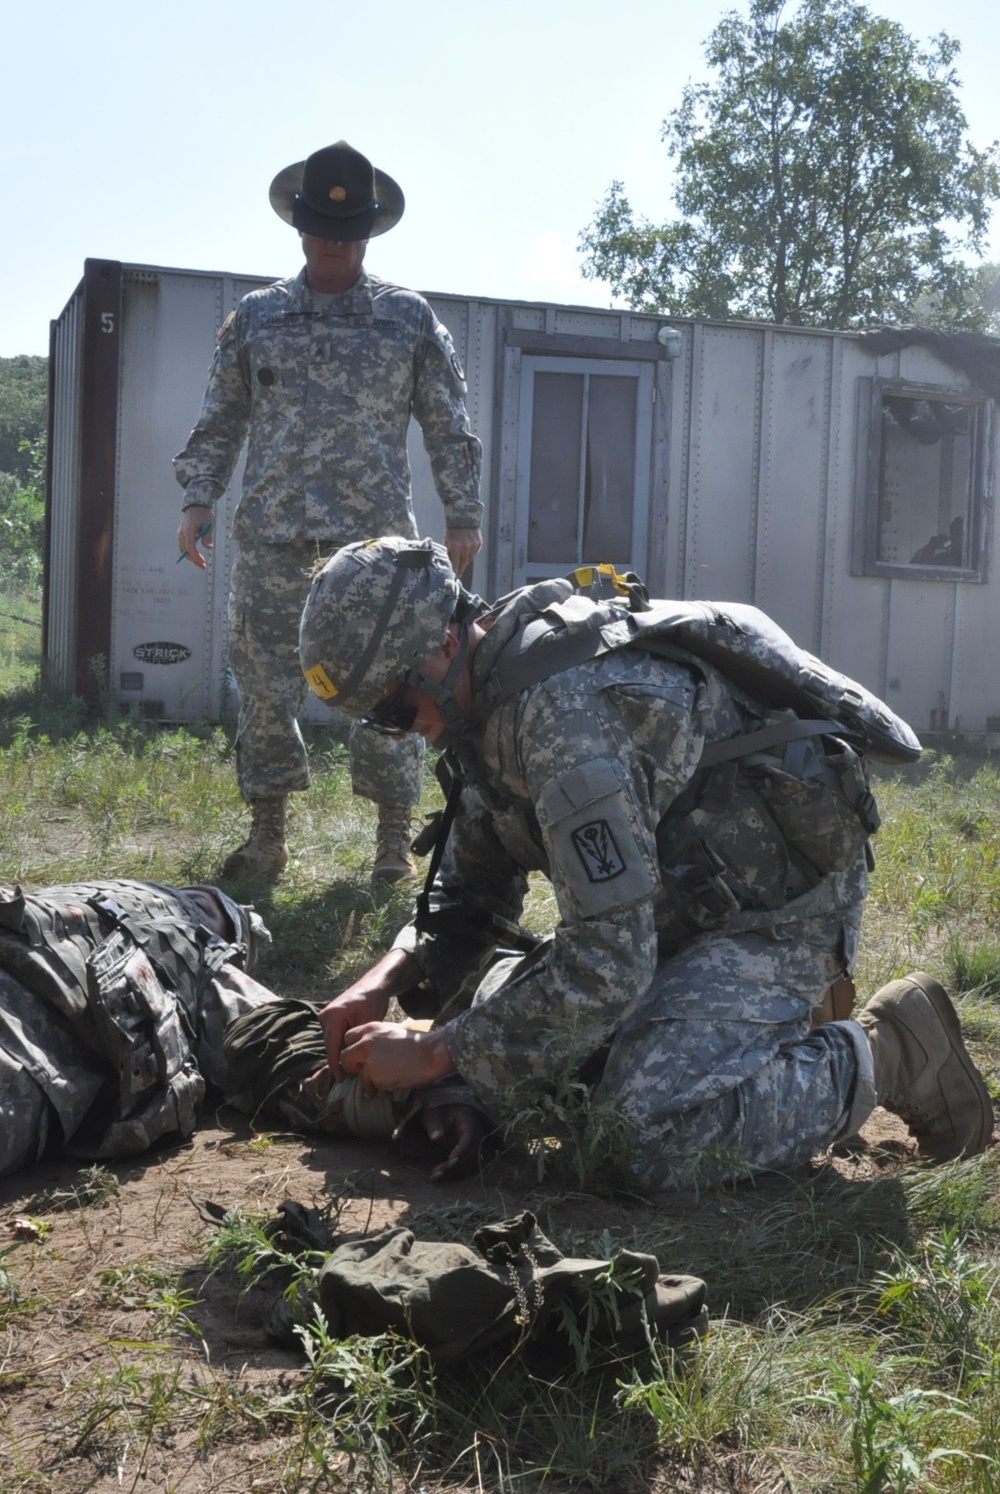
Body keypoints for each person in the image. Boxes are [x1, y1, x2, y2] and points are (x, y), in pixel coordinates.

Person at [295, 536, 995, 1188]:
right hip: (672, 919)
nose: (398, 729)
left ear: (440, 647)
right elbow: (473, 894)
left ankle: (888, 1046)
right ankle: (744, 1028)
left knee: (638, 1133)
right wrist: (382, 980)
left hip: (775, 921)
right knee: (532, 1063)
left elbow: (606, 965)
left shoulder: (564, 720)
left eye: (392, 707)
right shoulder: (489, 703)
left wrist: (435, 1054)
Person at [173, 141, 483, 884]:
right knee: (265, 688)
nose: (337, 246)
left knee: (395, 692)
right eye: (324, 230)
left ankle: (390, 843)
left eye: (351, 234)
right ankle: (268, 835)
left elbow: (448, 420)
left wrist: (463, 513)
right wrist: (196, 500)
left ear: (369, 235)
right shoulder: (257, 318)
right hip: (275, 541)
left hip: (377, 550)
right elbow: (221, 418)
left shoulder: (406, 318)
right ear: (301, 228)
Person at [0, 878, 274, 1175]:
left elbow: (278, 1039)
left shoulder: (201, 956)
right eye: (199, 898)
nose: (190, 905)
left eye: (208, 909)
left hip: (23, 1049)